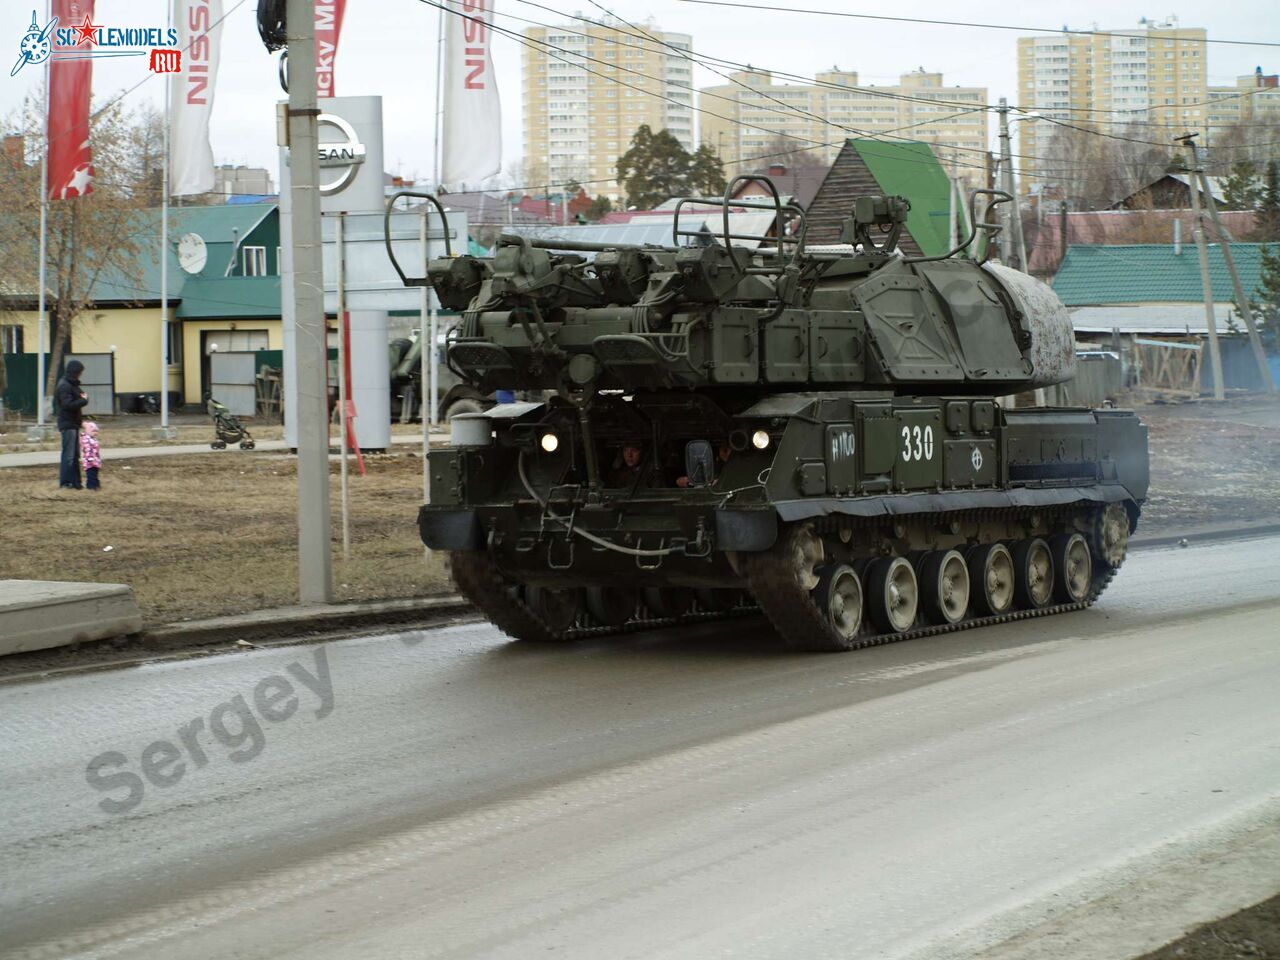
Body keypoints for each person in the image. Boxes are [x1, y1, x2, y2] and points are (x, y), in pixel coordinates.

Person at [55, 359, 88, 489]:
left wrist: (82, 398)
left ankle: (75, 482)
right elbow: (67, 405)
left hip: (73, 424)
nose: (80, 375)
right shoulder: (65, 386)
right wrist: (83, 401)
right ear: (75, 372)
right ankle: (66, 482)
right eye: (79, 372)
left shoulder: (71, 384)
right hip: (68, 424)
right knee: (69, 455)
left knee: (74, 455)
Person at [80, 420, 102, 490]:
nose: (95, 433)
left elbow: (96, 451)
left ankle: (96, 485)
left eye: (96, 431)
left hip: (95, 461)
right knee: (91, 475)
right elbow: (88, 450)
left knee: (94, 474)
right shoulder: (87, 439)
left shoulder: (93, 439)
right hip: (89, 461)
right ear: (88, 431)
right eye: (93, 431)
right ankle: (91, 486)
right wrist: (90, 459)